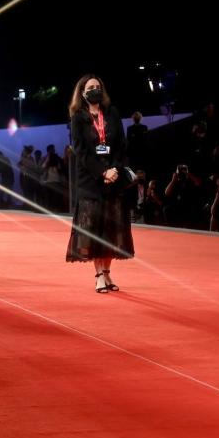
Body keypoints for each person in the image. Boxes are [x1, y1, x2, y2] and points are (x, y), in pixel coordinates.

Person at [65, 74, 134, 292]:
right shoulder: (78, 117)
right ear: (82, 93)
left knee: (111, 229)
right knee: (95, 229)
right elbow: (81, 152)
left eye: (97, 86)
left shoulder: (112, 113)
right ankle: (98, 275)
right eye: (90, 87)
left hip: (114, 178)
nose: (94, 89)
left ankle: (107, 272)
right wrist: (102, 172)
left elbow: (121, 145)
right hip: (91, 180)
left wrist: (114, 169)